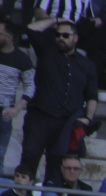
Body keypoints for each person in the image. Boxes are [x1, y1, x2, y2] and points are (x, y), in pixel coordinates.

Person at [20, 18, 98, 186]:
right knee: (29, 159)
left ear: (75, 38)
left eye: (65, 35)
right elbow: (31, 29)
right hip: (39, 117)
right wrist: (56, 20)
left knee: (57, 168)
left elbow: (92, 95)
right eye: (57, 35)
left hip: (66, 123)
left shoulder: (87, 65)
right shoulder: (47, 51)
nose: (60, 38)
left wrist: (88, 118)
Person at [0, 18, 34, 176]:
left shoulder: (22, 59)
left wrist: (17, 108)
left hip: (4, 112)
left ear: (9, 36)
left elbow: (30, 86)